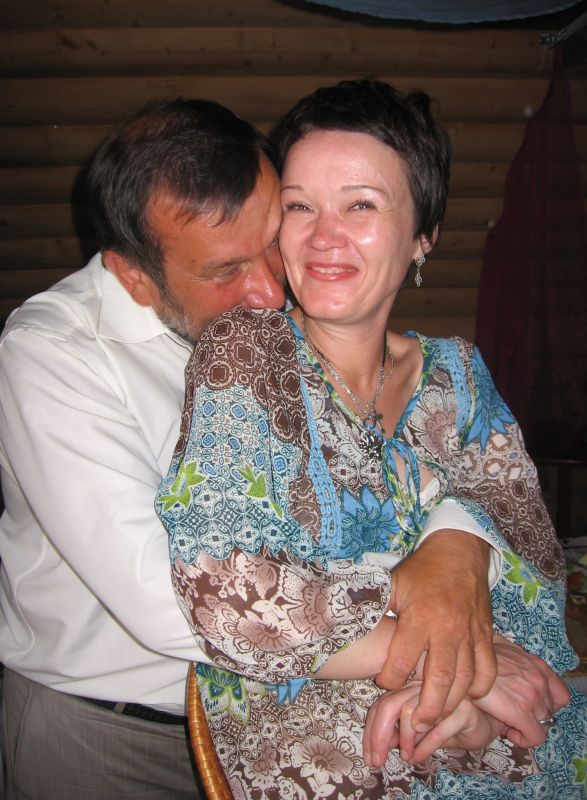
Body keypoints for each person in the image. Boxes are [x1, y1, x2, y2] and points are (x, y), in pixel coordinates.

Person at [0, 96, 501, 800]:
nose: (269, 291)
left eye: (272, 240)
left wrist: (456, 544)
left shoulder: (300, 335)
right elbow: (168, 596)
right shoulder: (52, 355)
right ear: (133, 275)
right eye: (224, 271)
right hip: (112, 731)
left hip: (288, 719)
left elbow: (408, 470)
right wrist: (448, 656)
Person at [156, 80, 587, 799]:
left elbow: (533, 557)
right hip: (316, 728)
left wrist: (458, 548)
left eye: (361, 204)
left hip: (479, 715)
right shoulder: (246, 357)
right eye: (299, 206)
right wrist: (449, 665)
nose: (322, 236)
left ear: (425, 235)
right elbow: (229, 592)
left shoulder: (459, 375)